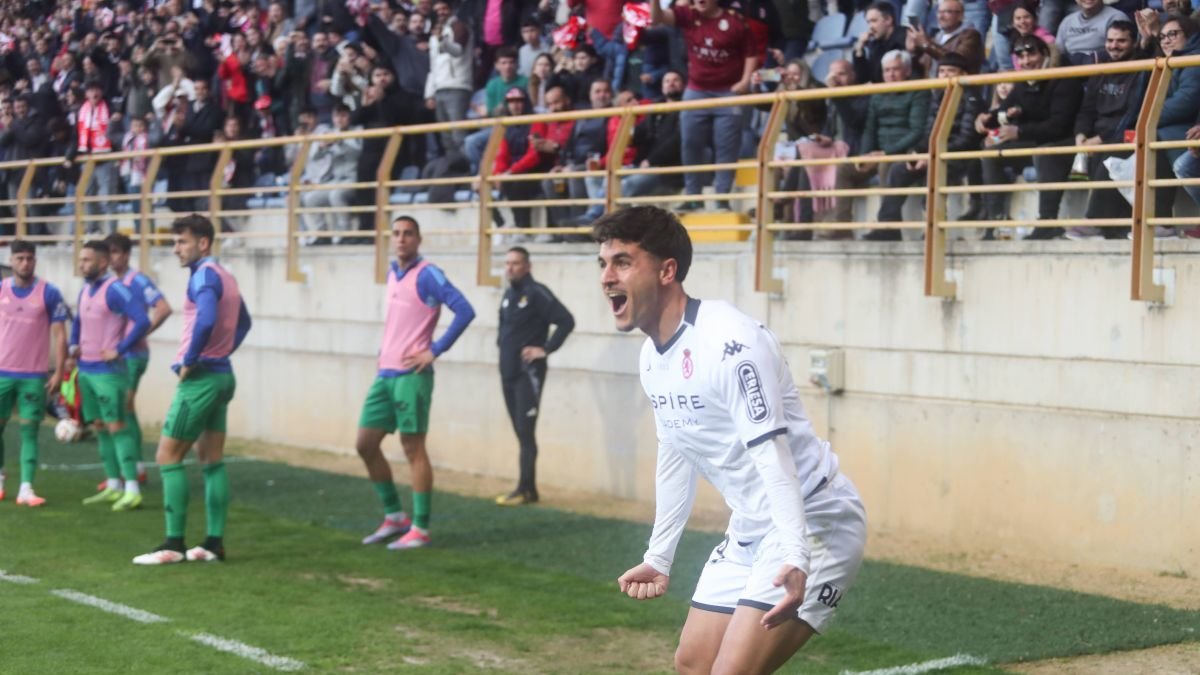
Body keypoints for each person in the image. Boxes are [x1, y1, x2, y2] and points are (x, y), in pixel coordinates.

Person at [596, 206, 866, 673]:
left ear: (667, 271)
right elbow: (676, 453)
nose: (606, 276)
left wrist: (795, 554)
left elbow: (772, 458)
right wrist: (659, 556)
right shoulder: (651, 358)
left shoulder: (731, 343)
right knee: (692, 664)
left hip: (815, 521)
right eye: (602, 264)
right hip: (750, 529)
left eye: (622, 261)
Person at [132, 215, 253, 565]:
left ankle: (173, 543)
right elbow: (245, 323)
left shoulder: (203, 276)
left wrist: (192, 357)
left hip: (200, 379)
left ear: (203, 243)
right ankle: (214, 543)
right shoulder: (226, 276)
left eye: (182, 242)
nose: (176, 249)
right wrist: (222, 353)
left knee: (168, 456)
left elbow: (206, 318)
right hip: (223, 376)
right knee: (211, 460)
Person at [358, 216, 476, 549]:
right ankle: (395, 516)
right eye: (396, 234)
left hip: (412, 376)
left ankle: (421, 528)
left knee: (413, 448)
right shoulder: (393, 273)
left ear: (418, 239)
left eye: (408, 234)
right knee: (365, 444)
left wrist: (434, 350)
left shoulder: (428, 274)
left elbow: (464, 310)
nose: (401, 239)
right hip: (385, 374)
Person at [650, 0, 758, 210]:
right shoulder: (688, 15)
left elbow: (751, 53)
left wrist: (745, 81)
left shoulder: (735, 21)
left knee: (726, 147)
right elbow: (657, 18)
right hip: (696, 90)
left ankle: (722, 198)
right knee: (690, 143)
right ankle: (693, 197)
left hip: (728, 92)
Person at [71, 240, 151, 512]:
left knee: (117, 426)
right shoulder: (85, 290)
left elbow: (142, 320)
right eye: (80, 260)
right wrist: (73, 346)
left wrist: (120, 349)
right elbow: (78, 322)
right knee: (99, 427)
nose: (82, 264)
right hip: (87, 369)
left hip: (109, 373)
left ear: (102, 263)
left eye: (87, 260)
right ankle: (114, 484)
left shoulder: (115, 289)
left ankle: (132, 488)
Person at [494, 247, 575, 506]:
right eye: (507, 263)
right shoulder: (508, 294)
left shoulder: (537, 293)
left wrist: (546, 349)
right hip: (508, 373)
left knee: (526, 432)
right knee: (520, 430)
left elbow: (566, 320)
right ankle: (528, 488)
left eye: (516, 263)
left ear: (527, 266)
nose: (510, 268)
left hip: (528, 374)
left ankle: (526, 489)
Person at [0, 241, 69, 506]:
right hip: (2, 372)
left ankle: (26, 488)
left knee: (30, 431)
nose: (25, 263)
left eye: (30, 258)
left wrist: (59, 371)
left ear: (35, 261)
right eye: (20, 258)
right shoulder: (1, 289)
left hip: (33, 375)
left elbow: (60, 335)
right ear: (12, 260)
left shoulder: (49, 293)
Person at [106, 233, 174, 483]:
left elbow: (163, 308)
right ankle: (134, 467)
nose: (111, 258)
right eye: (108, 252)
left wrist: (140, 333)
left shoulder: (137, 280)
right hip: (120, 354)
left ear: (125, 254)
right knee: (126, 410)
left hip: (133, 354)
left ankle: (134, 469)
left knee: (122, 410)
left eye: (115, 252)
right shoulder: (112, 283)